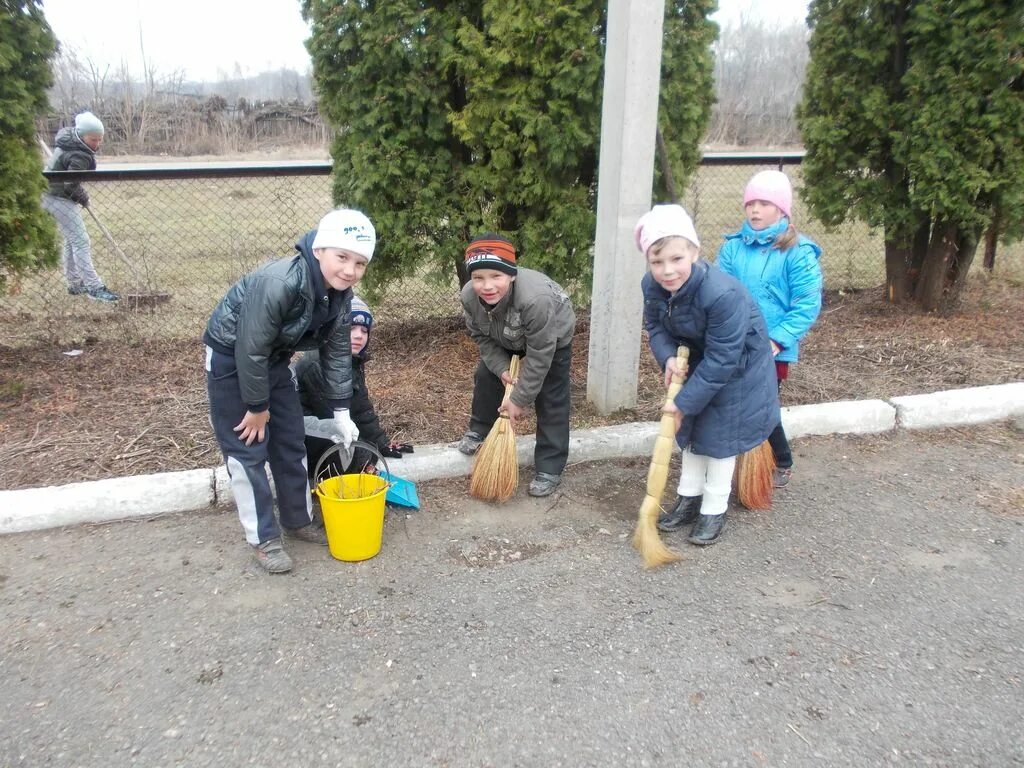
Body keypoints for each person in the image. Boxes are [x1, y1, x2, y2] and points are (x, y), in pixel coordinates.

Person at [203, 208, 374, 574]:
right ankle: (264, 538)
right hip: (232, 361)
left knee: (291, 439)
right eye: (342, 257)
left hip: (274, 359)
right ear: (318, 250)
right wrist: (257, 405)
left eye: (359, 263)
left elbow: (337, 350)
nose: (349, 270)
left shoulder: (339, 294)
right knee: (247, 450)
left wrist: (342, 412)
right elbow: (249, 347)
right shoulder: (279, 282)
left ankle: (297, 519)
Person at [636, 204, 780, 546]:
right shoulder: (652, 286)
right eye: (657, 262)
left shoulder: (722, 294)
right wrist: (668, 357)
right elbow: (655, 326)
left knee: (719, 440)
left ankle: (713, 510)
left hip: (739, 370)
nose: (667, 271)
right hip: (700, 362)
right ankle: (688, 498)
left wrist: (683, 401)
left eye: (676, 259)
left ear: (695, 253)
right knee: (690, 434)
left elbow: (723, 359)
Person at [716, 170, 823, 489]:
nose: (755, 210)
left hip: (773, 348)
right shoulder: (733, 249)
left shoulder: (798, 253)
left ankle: (782, 460)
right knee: (733, 402)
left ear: (782, 210)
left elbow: (806, 304)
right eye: (751, 203)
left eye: (764, 203)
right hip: (734, 343)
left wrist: (777, 340)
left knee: (762, 405)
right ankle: (739, 461)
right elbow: (720, 294)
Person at [456, 234, 576, 498]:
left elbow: (541, 352)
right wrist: (501, 369)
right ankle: (479, 430)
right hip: (503, 336)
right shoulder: (469, 297)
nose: (487, 286)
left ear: (511, 275)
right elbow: (481, 337)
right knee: (485, 375)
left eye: (496, 276)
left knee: (551, 395)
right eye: (478, 278)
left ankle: (549, 466)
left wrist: (519, 399)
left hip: (550, 337)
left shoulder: (535, 299)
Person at [295, 295, 413, 481]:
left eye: (364, 330)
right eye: (351, 328)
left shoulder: (352, 360)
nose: (359, 335)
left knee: (365, 449)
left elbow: (361, 408)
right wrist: (364, 456)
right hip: (305, 438)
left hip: (327, 429)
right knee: (352, 450)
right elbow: (333, 419)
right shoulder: (317, 365)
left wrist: (382, 443)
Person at [41, 111, 119, 302]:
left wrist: (79, 196)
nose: (97, 144)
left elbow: (69, 181)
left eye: (100, 140)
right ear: (82, 135)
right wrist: (83, 197)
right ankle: (94, 287)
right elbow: (71, 185)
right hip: (59, 198)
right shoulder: (79, 153)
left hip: (50, 195)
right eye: (93, 139)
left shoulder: (67, 144)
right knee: (81, 241)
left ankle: (75, 283)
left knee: (71, 240)